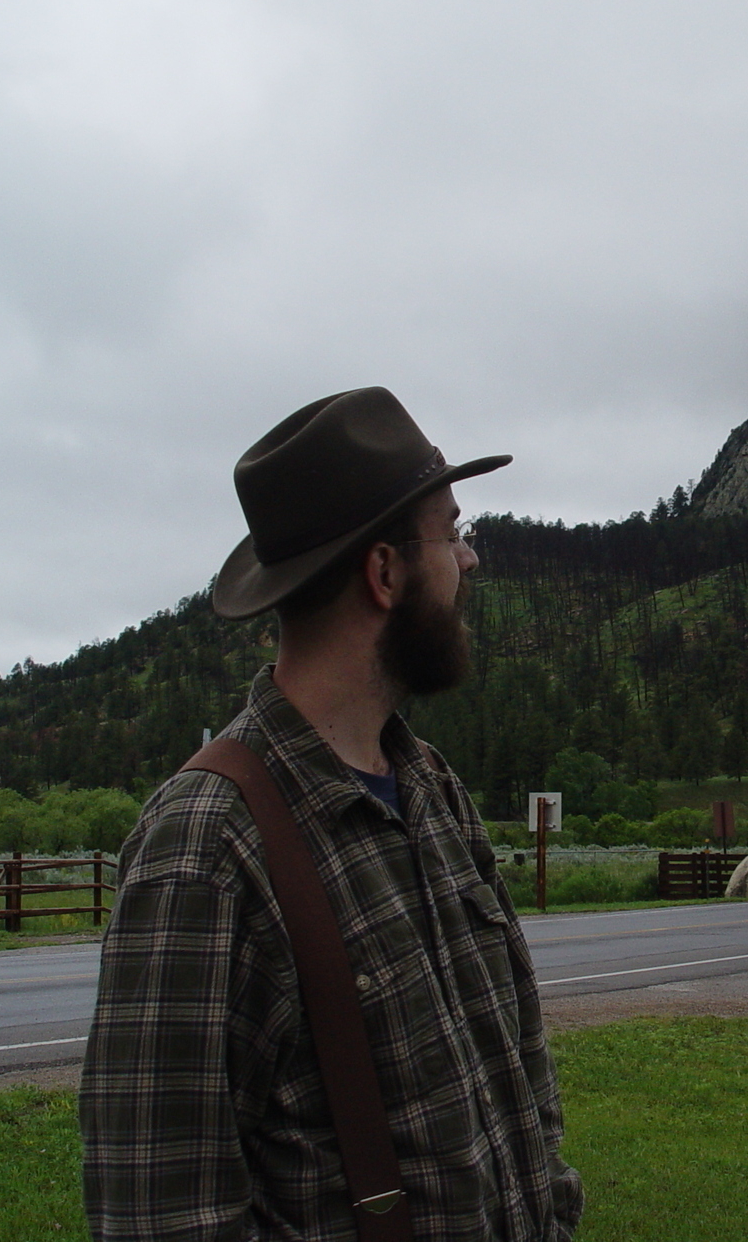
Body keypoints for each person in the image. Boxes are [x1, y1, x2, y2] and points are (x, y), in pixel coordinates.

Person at [81, 387, 583, 1241]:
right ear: (384, 573)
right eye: (451, 533)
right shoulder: (202, 847)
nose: (470, 561)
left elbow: (518, 1095)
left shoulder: (432, 788)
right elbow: (156, 1210)